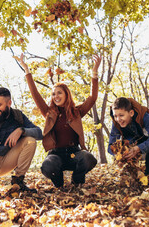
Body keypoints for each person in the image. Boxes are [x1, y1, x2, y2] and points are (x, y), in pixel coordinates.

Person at [15, 53, 100, 189]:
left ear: (67, 94)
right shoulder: (49, 113)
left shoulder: (76, 112)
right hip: (56, 154)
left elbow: (92, 98)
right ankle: (59, 184)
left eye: (59, 92)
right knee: (48, 165)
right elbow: (35, 94)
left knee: (87, 157)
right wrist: (26, 70)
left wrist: (94, 72)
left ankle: (77, 181)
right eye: (53, 94)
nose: (56, 96)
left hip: (74, 153)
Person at [108, 97, 149, 177]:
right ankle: (132, 174)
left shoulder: (143, 114)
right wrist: (119, 154)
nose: (118, 119)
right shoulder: (116, 121)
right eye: (115, 116)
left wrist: (138, 148)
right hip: (134, 138)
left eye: (121, 115)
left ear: (131, 113)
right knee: (124, 146)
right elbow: (111, 145)